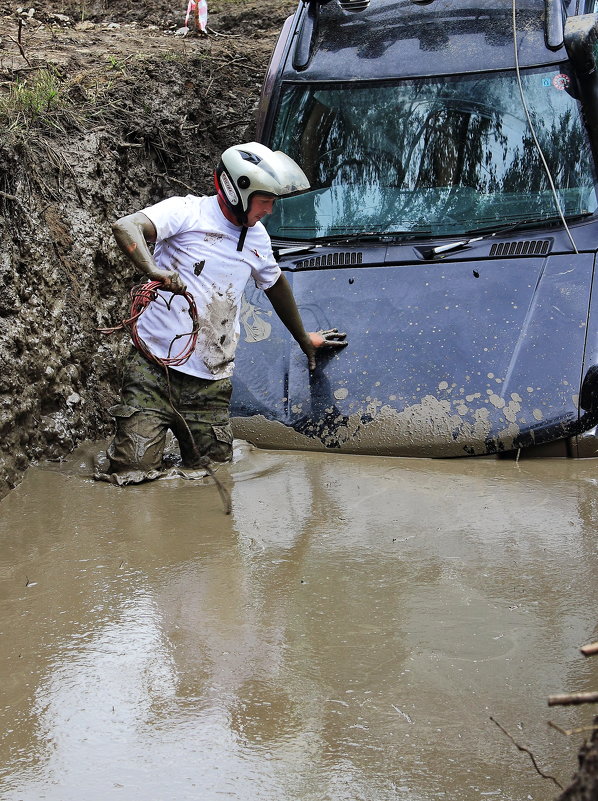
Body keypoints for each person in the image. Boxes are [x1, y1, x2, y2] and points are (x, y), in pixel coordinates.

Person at [103, 142, 346, 481]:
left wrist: (304, 338)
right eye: (265, 202)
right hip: (153, 369)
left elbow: (275, 285)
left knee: (213, 474)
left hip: (211, 380)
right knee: (132, 471)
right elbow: (125, 227)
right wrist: (154, 271)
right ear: (238, 192)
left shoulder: (257, 238)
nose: (270, 211)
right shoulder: (186, 212)